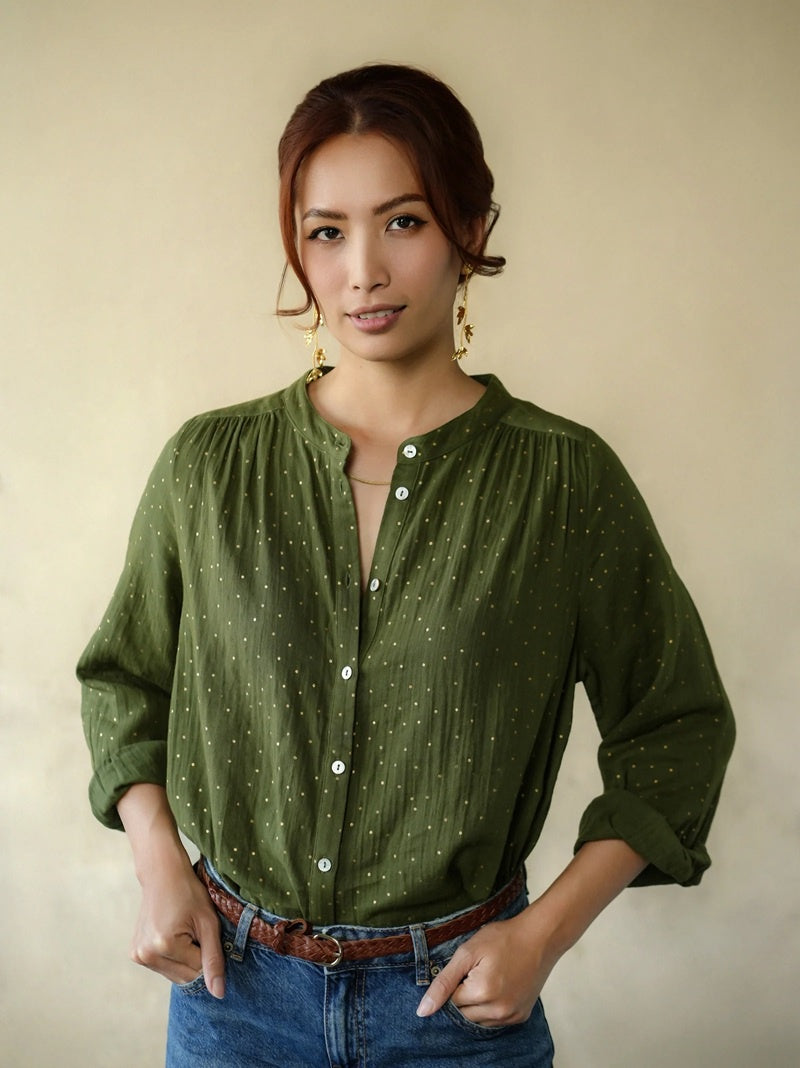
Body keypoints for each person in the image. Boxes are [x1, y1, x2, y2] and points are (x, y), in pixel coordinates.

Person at [78, 63, 735, 1067]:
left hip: (457, 1011)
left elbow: (675, 727)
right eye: (325, 232)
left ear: (468, 228)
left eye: (403, 222)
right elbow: (124, 680)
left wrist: (542, 936)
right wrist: (158, 861)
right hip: (232, 1000)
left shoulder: (564, 483)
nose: (362, 272)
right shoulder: (209, 468)